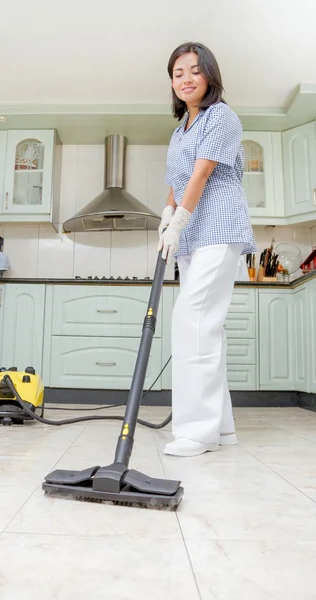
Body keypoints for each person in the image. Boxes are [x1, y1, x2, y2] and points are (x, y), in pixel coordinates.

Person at [157, 42, 256, 457]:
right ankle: (222, 429)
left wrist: (178, 219)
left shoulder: (221, 116)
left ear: (210, 76)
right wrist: (167, 211)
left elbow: (201, 175)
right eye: (178, 73)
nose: (186, 79)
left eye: (194, 71)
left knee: (192, 320)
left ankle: (197, 432)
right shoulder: (180, 130)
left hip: (219, 226)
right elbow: (177, 180)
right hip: (193, 235)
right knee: (204, 326)